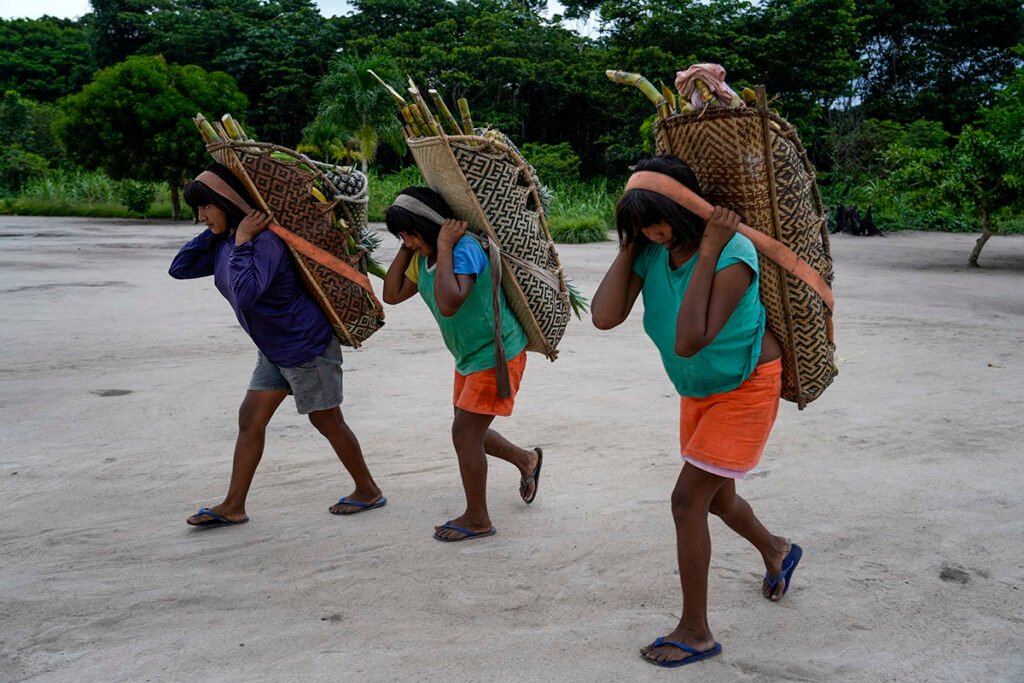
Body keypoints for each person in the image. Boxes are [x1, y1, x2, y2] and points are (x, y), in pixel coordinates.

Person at [591, 155, 802, 667]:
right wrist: (628, 245)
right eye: (639, 224)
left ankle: (696, 631)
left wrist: (707, 250)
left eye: (656, 219)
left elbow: (689, 340)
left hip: (745, 386)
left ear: (686, 207)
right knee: (716, 500)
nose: (651, 231)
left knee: (688, 500)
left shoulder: (733, 253)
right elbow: (603, 316)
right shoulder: (650, 247)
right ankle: (777, 550)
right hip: (699, 390)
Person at [169, 162, 384, 527]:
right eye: (197, 210)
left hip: (304, 345)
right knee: (250, 419)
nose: (200, 216)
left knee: (326, 420)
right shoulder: (225, 241)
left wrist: (241, 240)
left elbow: (247, 292)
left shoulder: (264, 243)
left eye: (205, 207)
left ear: (227, 202)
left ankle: (368, 490)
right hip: (273, 347)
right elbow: (180, 267)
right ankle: (233, 505)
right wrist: (221, 231)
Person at [381, 187, 542, 542]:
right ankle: (526, 460)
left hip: (496, 355)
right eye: (400, 236)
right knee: (470, 432)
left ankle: (478, 518)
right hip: (468, 357)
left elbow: (450, 301)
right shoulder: (421, 255)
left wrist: (442, 245)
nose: (407, 241)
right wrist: (407, 246)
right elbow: (391, 294)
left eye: (409, 233)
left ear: (429, 227)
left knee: (464, 434)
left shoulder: (466, 249)